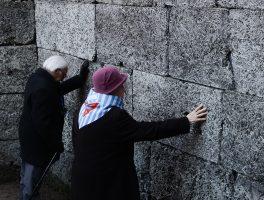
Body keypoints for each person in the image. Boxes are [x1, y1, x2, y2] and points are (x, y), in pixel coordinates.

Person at [71, 66, 208, 200]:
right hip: (108, 186)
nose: (124, 90)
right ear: (115, 90)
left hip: (82, 182)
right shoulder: (114, 117)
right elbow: (149, 130)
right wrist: (186, 121)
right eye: (121, 86)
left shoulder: (83, 110)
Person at [18, 55, 89, 200]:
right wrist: (56, 144)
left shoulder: (38, 78)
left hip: (30, 139)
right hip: (36, 144)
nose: (65, 75)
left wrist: (80, 79)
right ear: (56, 71)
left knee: (28, 178)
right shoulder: (43, 88)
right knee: (31, 183)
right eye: (64, 72)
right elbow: (43, 123)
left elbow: (58, 89)